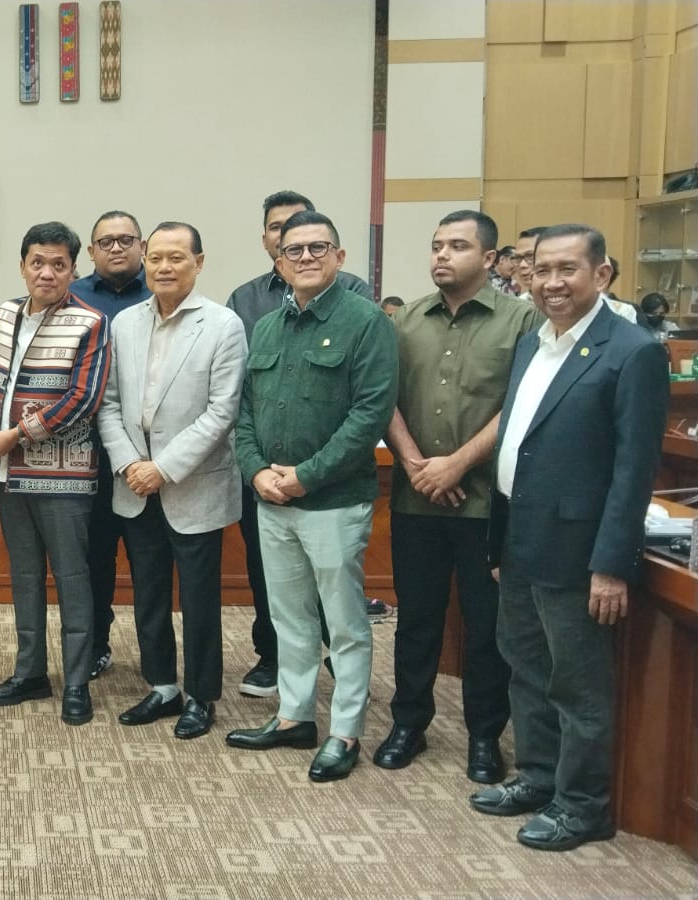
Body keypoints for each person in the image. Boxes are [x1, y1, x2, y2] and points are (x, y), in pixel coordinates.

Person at [476, 224, 667, 851]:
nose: (552, 283)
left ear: (601, 274)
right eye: (541, 270)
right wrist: (499, 544)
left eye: (567, 269)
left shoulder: (632, 351)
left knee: (577, 686)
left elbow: (633, 471)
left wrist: (612, 564)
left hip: (580, 555)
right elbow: (519, 448)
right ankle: (538, 778)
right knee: (526, 669)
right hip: (520, 542)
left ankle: (583, 807)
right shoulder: (532, 344)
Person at [226, 211, 397, 783]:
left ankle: (344, 732)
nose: (304, 258)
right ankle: (294, 716)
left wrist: (305, 476)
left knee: (343, 624)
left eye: (317, 248)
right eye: (293, 250)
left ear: (339, 257)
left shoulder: (366, 322)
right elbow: (245, 412)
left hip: (333, 501)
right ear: (278, 262)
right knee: (289, 617)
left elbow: (369, 415)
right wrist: (256, 472)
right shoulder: (267, 328)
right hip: (272, 501)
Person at [377, 210, 542, 784]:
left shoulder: (522, 319)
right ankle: (408, 723)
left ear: (490, 258)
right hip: (415, 498)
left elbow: (521, 404)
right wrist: (415, 464)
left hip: (485, 504)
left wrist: (456, 465)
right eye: (436, 245)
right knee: (416, 618)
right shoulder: (406, 320)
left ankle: (484, 736)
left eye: (458, 246)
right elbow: (384, 397)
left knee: (486, 625)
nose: (442, 255)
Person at [97, 221, 246, 739]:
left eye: (176, 258)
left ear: (198, 263)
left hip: (192, 484)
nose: (163, 267)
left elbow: (222, 412)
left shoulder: (223, 325)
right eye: (156, 257)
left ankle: (202, 695)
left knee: (200, 599)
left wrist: (162, 468)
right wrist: (129, 464)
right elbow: (108, 403)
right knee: (149, 593)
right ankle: (162, 685)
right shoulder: (125, 324)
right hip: (135, 484)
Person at [0, 222, 111, 726]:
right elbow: (2, 369)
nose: (47, 273)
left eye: (59, 264)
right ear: (23, 266)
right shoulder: (7, 313)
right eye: (38, 262)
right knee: (25, 577)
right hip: (9, 473)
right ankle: (30, 672)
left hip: (64, 478)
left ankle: (76, 682)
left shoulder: (91, 322)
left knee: (73, 579)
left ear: (74, 270)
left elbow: (84, 398)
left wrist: (18, 433)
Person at [68, 211, 151, 681]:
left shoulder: (161, 292)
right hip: (86, 456)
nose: (116, 248)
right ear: (92, 251)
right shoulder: (72, 296)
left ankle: (155, 654)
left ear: (142, 245)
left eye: (125, 239)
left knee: (149, 563)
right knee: (94, 560)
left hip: (149, 461)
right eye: (106, 241)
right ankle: (96, 645)